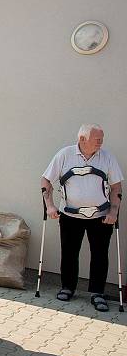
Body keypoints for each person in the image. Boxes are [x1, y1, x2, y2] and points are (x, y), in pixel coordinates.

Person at [41, 124, 122, 311]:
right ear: (82, 139)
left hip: (100, 216)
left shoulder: (107, 157)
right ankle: (67, 287)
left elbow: (116, 186)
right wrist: (50, 206)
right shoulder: (64, 155)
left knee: (100, 255)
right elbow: (46, 180)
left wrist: (113, 212)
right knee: (69, 252)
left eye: (102, 139)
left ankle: (97, 293)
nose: (101, 143)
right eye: (97, 139)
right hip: (70, 215)